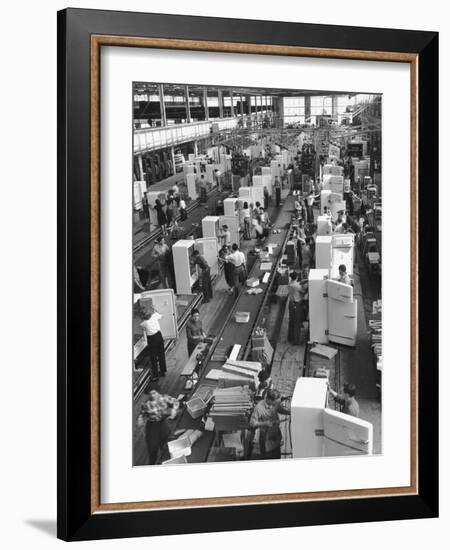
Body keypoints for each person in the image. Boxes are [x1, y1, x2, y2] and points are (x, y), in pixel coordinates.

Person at [137, 389, 180, 464]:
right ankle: (152, 464)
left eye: (154, 393)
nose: (152, 395)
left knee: (166, 443)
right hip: (152, 425)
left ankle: (165, 460)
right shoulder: (145, 404)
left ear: (158, 392)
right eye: (150, 394)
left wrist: (174, 409)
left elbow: (176, 401)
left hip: (163, 423)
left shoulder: (165, 397)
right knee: (152, 447)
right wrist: (140, 419)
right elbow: (142, 413)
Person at [249, 389, 290, 459]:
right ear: (269, 399)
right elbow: (252, 423)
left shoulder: (275, 403)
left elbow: (280, 409)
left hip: (276, 434)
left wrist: (290, 412)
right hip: (265, 437)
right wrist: (265, 423)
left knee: (277, 455)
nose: (275, 405)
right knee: (267, 456)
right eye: (274, 403)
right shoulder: (259, 408)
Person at [140, 303, 167, 381]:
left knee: (153, 357)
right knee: (161, 354)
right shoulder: (154, 316)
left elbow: (142, 328)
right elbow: (162, 315)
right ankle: (163, 371)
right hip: (158, 336)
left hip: (152, 339)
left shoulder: (143, 323)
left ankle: (155, 375)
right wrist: (154, 309)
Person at [287, 272, 303, 345]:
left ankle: (290, 338)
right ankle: (296, 341)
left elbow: (297, 284)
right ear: (297, 277)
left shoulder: (290, 284)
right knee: (297, 323)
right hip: (297, 305)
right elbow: (303, 291)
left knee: (291, 321)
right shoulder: (297, 286)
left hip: (291, 303)